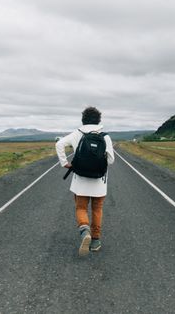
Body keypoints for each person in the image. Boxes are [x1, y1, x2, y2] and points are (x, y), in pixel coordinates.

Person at [55, 106, 115, 256]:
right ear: (99, 120)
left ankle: (84, 230)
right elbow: (111, 160)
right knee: (97, 210)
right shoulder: (105, 136)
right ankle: (95, 241)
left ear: (83, 120)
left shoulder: (77, 133)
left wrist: (65, 163)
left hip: (80, 181)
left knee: (81, 208)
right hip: (99, 182)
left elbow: (59, 144)